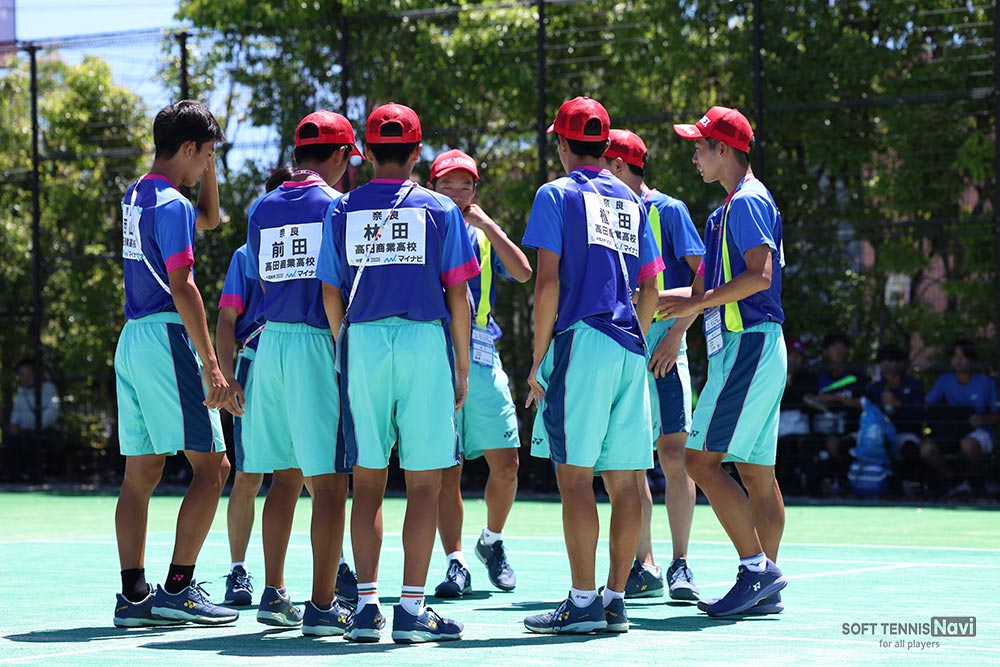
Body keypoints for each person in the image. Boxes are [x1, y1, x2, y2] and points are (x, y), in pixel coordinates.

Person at [317, 102, 475, 644]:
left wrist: (345, 343)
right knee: (425, 481)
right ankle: (411, 609)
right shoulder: (440, 209)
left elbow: (330, 291)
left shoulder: (341, 208)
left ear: (366, 152)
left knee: (367, 480)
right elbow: (459, 294)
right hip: (425, 342)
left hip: (363, 340)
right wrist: (461, 367)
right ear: (417, 152)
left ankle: (366, 609)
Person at [522, 97, 664, 635]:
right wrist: (637, 339)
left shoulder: (555, 194)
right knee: (626, 482)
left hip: (581, 342)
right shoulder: (631, 198)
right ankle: (614, 601)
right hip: (630, 344)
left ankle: (582, 603)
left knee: (575, 478)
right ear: (605, 147)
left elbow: (547, 283)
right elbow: (651, 287)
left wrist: (538, 358)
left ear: (562, 143)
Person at [112, 100, 237, 628]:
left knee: (140, 473)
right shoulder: (172, 205)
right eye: (205, 154)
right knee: (214, 468)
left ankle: (133, 596)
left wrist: (208, 169)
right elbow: (184, 287)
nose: (207, 163)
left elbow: (209, 217)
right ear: (188, 148)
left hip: (132, 341)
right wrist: (212, 364)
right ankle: (179, 589)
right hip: (167, 337)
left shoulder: (137, 194)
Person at [664, 105, 787, 617]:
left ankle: (757, 570)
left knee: (698, 462)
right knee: (756, 473)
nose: (694, 155)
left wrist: (693, 306)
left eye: (699, 146)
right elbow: (700, 291)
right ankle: (765, 585)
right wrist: (651, 302)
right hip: (748, 348)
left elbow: (760, 276)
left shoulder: (749, 201)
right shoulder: (724, 212)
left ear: (723, 149)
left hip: (747, 346)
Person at [243, 111, 360, 635]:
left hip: (271, 344)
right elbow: (341, 286)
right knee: (330, 485)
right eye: (348, 159)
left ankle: (274, 593)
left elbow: (260, 277)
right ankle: (322, 605)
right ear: (338, 156)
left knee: (284, 477)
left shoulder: (262, 206)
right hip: (316, 343)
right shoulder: (338, 205)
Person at [599, 129, 704, 602]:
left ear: (619, 166)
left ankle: (681, 564)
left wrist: (677, 334)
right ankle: (644, 563)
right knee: (630, 459)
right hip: (624, 344)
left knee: (674, 453)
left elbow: (705, 277)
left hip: (663, 343)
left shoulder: (669, 210)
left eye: (603, 164)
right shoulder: (604, 212)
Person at [427, 149, 532, 598]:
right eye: (447, 185)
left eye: (465, 185)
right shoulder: (422, 230)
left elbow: (524, 272)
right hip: (436, 355)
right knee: (447, 468)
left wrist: (488, 224)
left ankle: (492, 540)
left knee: (507, 463)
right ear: (431, 188)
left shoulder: (482, 233)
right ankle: (455, 563)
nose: (456, 193)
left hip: (484, 357)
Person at [922, 339, 998, 497]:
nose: (958, 361)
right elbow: (927, 405)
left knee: (969, 444)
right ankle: (954, 480)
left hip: (979, 432)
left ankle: (977, 482)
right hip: (950, 431)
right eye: (955, 356)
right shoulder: (944, 380)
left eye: (963, 356)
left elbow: (997, 414)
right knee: (926, 450)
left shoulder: (986, 383)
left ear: (971, 359)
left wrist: (982, 420)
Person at [807, 333, 867, 495]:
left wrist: (837, 399)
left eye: (842, 346)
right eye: (834, 346)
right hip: (820, 429)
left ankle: (846, 485)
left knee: (838, 445)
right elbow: (807, 399)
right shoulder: (816, 377)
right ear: (826, 351)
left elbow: (865, 404)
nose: (839, 350)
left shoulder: (857, 377)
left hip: (851, 430)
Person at [3, 358, 61, 482]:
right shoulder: (21, 392)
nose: (24, 378)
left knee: (28, 436)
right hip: (25, 430)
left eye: (27, 374)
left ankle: (33, 473)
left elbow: (52, 412)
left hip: (44, 429)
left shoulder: (49, 388)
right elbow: (16, 412)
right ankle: (15, 474)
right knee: (10, 436)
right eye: (21, 375)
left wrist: (37, 426)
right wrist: (14, 424)